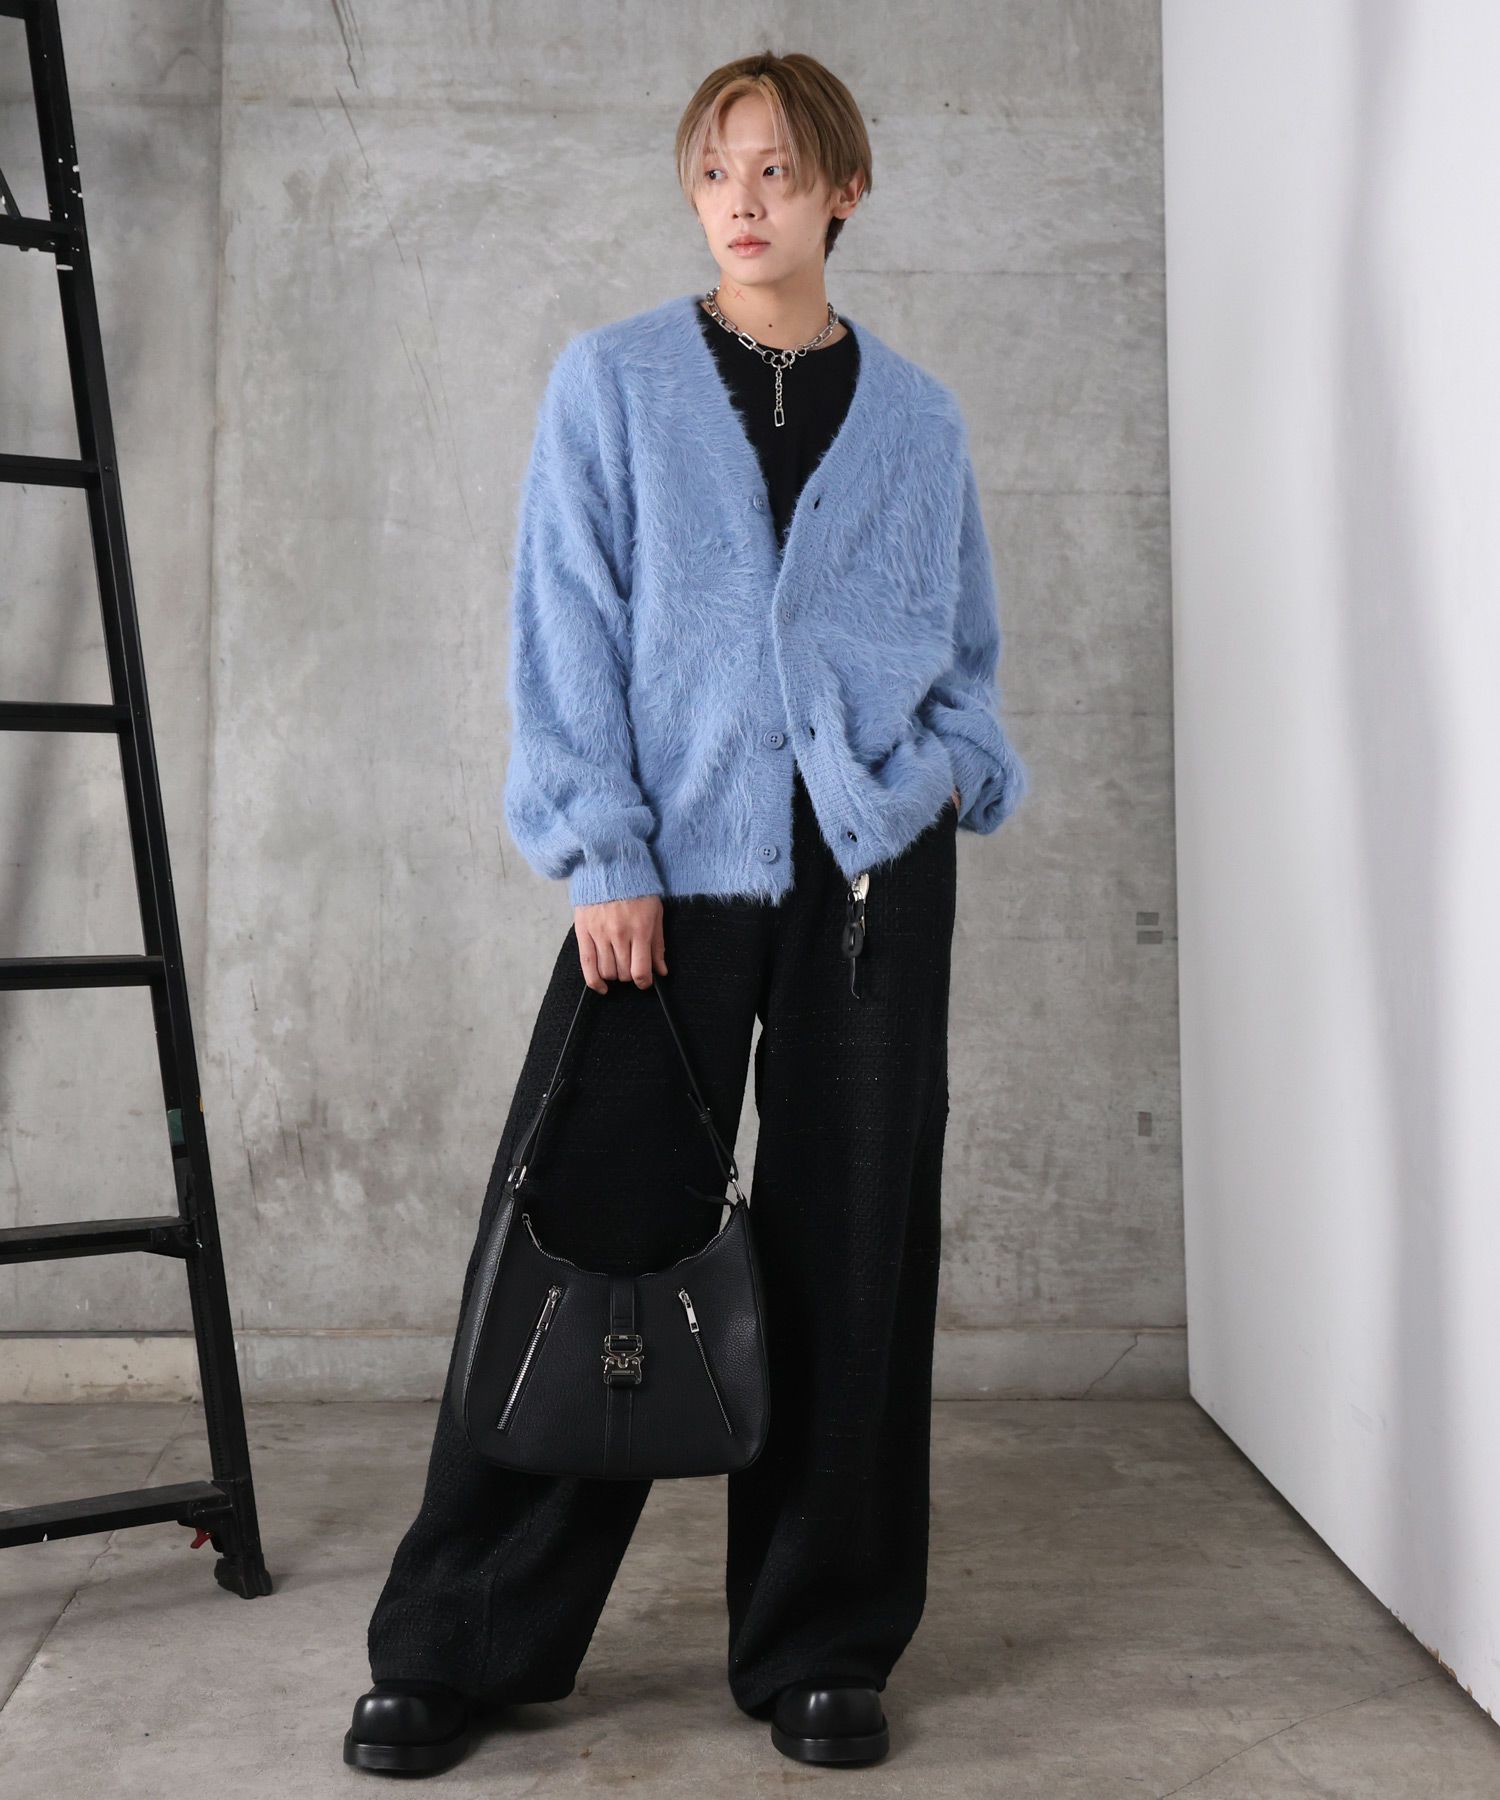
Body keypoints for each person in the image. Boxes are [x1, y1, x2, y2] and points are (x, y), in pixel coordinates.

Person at [343, 48, 1027, 1778]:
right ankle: (460, 1641)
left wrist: (949, 772)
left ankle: (822, 1642)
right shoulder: (617, 381)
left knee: (853, 1250)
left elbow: (964, 651)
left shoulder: (919, 417)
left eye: (778, 172)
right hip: (669, 872)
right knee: (588, 1227)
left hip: (874, 879)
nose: (742, 201)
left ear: (843, 191)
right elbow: (564, 622)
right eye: (717, 170)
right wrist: (604, 852)